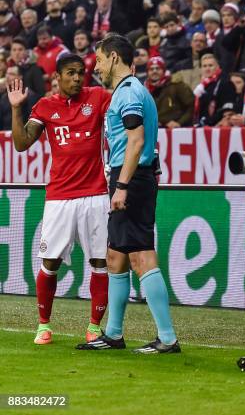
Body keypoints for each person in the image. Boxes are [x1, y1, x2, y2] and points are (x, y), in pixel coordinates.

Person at [77, 34, 180, 354]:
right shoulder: (131, 91)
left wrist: (122, 186)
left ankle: (168, 338)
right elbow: (144, 139)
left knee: (140, 256)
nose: (96, 66)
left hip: (130, 179)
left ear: (114, 58)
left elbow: (136, 141)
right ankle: (113, 334)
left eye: (100, 59)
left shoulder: (130, 93)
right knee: (116, 257)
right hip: (132, 177)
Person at [8, 54, 111, 345]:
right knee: (49, 262)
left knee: (100, 262)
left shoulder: (99, 97)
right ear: (58, 77)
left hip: (95, 195)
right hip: (60, 197)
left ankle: (94, 327)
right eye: (71, 73)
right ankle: (43, 325)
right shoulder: (45, 106)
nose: (78, 78)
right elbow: (21, 143)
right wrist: (17, 109)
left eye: (81, 73)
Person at [145, 56, 194, 128]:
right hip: (157, 130)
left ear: (164, 70)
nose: (154, 71)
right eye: (151, 69)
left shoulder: (176, 85)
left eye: (158, 68)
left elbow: (191, 106)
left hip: (178, 131)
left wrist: (179, 122)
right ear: (147, 72)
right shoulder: (145, 90)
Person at [194, 53, 236, 126]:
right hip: (203, 125)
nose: (207, 68)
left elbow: (226, 108)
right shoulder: (203, 85)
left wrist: (209, 122)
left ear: (217, 67)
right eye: (204, 66)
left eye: (210, 65)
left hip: (218, 126)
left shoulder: (225, 82)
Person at [0, 65, 38, 129]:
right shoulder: (3, 97)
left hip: (23, 134)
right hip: (5, 135)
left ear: (20, 77)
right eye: (6, 73)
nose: (7, 76)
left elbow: (32, 121)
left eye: (11, 74)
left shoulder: (29, 95)